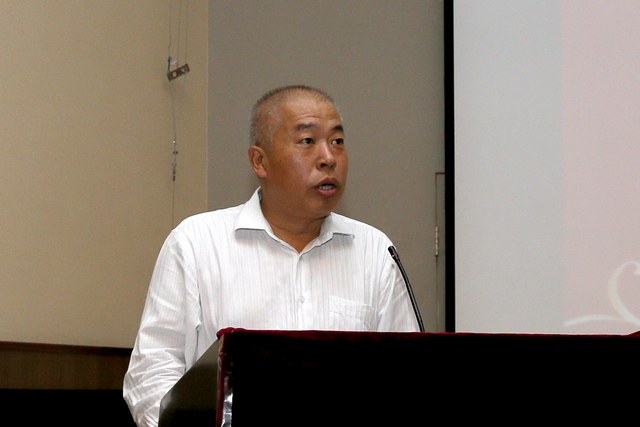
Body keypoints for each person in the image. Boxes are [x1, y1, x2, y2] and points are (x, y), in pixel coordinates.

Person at [123, 85, 420, 426]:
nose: (328, 157)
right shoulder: (196, 243)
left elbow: (409, 375)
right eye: (307, 141)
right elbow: (152, 372)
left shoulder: (376, 251)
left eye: (337, 141)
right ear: (259, 161)